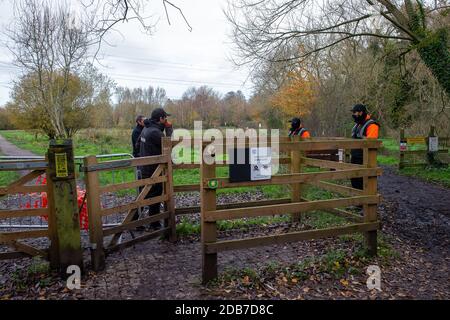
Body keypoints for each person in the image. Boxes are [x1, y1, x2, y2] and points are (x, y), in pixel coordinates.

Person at [139, 108, 172, 229]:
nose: (166, 120)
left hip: (144, 168)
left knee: (143, 196)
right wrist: (169, 129)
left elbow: (138, 145)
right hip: (153, 169)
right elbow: (169, 144)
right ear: (160, 119)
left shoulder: (146, 128)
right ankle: (154, 224)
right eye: (165, 118)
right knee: (155, 196)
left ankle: (135, 222)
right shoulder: (155, 133)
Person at [350, 104, 380, 190]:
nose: (353, 115)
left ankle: (367, 202)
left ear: (360, 112)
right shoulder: (357, 125)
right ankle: (358, 202)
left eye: (354, 113)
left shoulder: (372, 125)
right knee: (355, 181)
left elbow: (372, 144)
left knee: (364, 182)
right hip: (355, 157)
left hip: (365, 159)